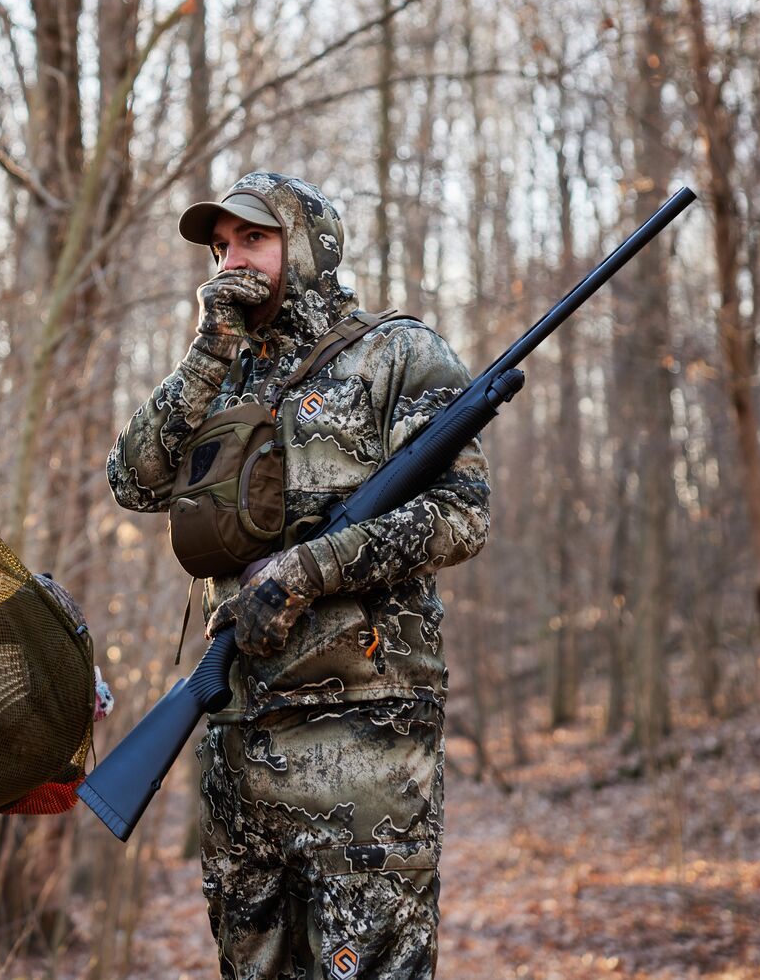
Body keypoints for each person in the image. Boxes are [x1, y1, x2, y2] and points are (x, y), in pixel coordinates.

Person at [106, 173, 489, 980]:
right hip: (241, 750)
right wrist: (208, 347)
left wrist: (315, 566)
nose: (231, 261)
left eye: (254, 238)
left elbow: (461, 513)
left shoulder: (397, 353)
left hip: (366, 752)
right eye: (220, 247)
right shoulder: (222, 373)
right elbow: (134, 481)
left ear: (306, 245)